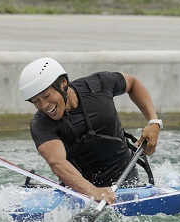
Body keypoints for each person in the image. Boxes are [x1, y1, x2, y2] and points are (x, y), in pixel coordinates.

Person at [18, 57, 162, 204]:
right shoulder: (41, 124)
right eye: (35, 101)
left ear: (63, 83)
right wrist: (92, 191)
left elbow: (132, 83)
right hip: (79, 192)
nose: (44, 106)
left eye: (47, 96)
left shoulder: (98, 85)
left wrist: (154, 122)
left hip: (127, 181)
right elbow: (57, 163)